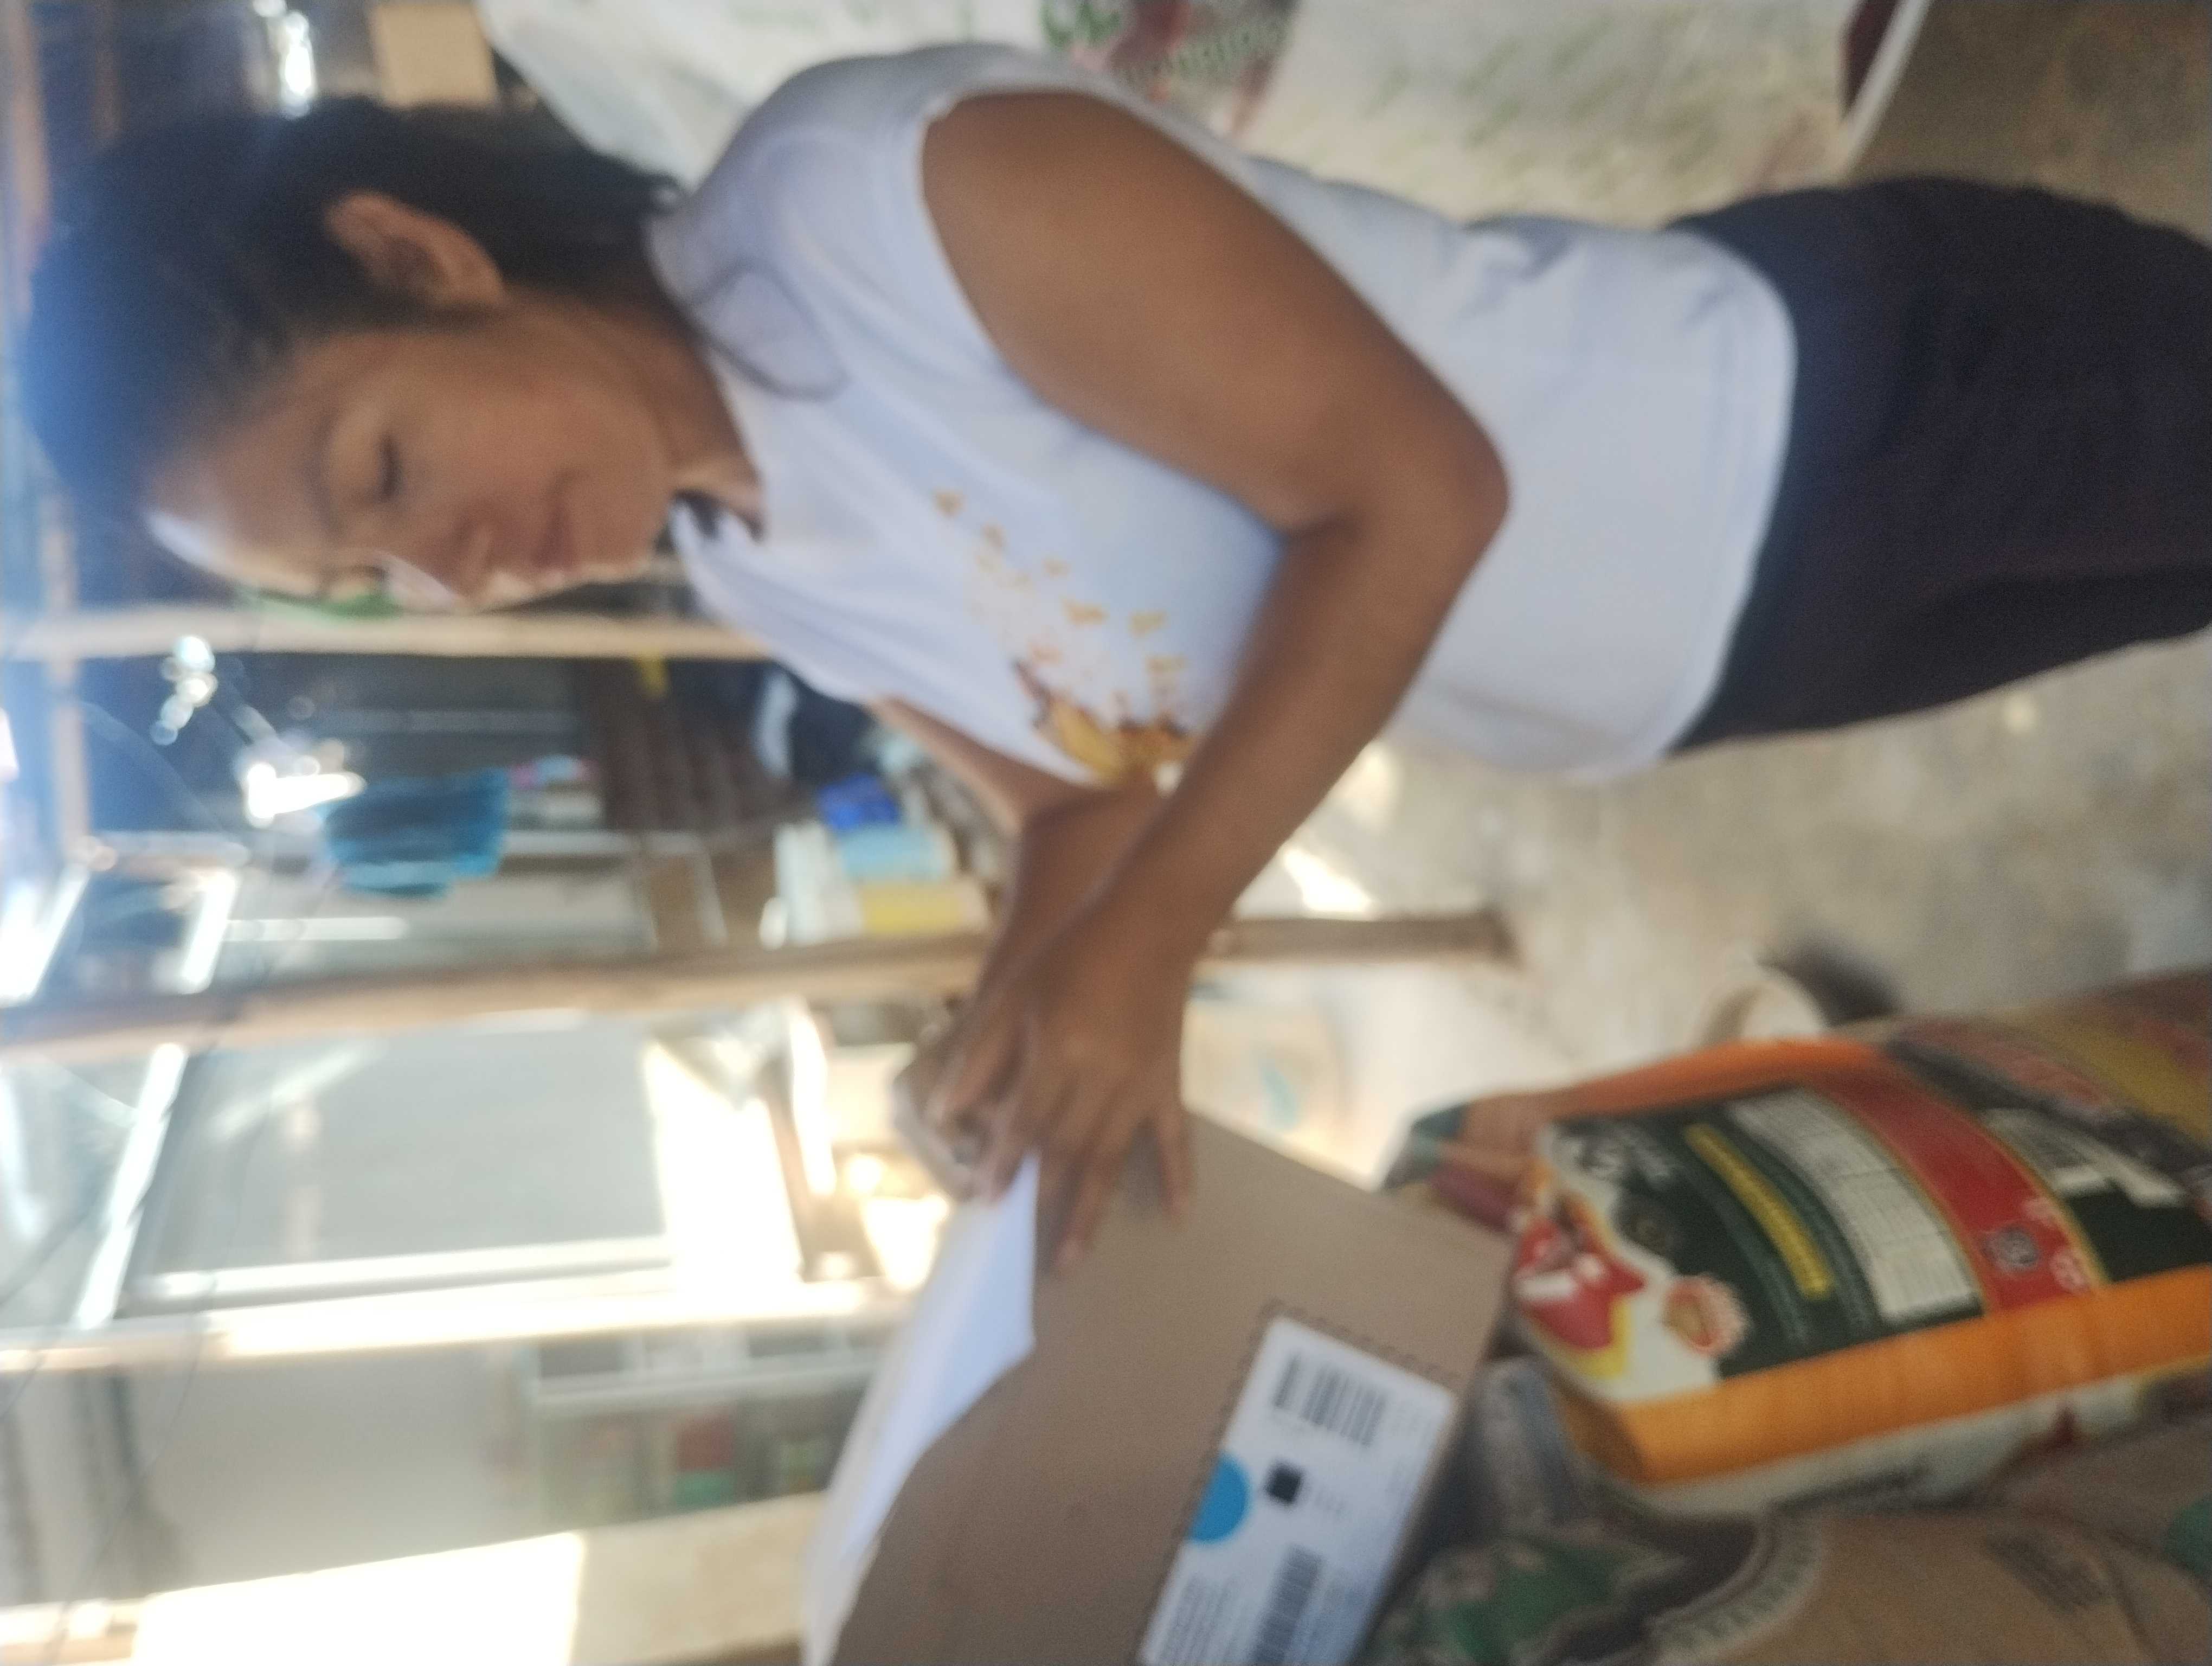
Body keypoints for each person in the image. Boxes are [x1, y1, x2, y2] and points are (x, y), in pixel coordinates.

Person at [24, 46, 2211, 1267]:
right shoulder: (761, 572)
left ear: (419, 256)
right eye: (369, 577)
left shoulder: (876, 205)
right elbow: (1079, 797)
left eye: (383, 471)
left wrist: (1149, 946)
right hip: (1729, 654)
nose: (449, 574)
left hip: (1856, 402)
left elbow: (1415, 493)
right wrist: (1008, 1018)